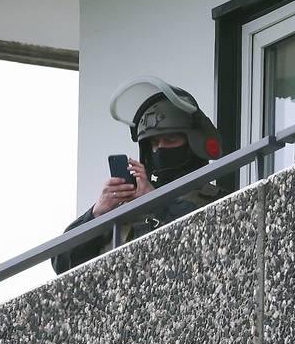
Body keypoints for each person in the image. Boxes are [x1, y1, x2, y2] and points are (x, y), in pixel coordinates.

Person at [51, 77, 226, 274]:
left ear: (193, 142)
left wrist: (155, 202)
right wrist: (96, 214)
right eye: (153, 143)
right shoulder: (126, 206)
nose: (160, 148)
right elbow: (61, 262)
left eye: (170, 140)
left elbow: (207, 243)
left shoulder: (218, 200)